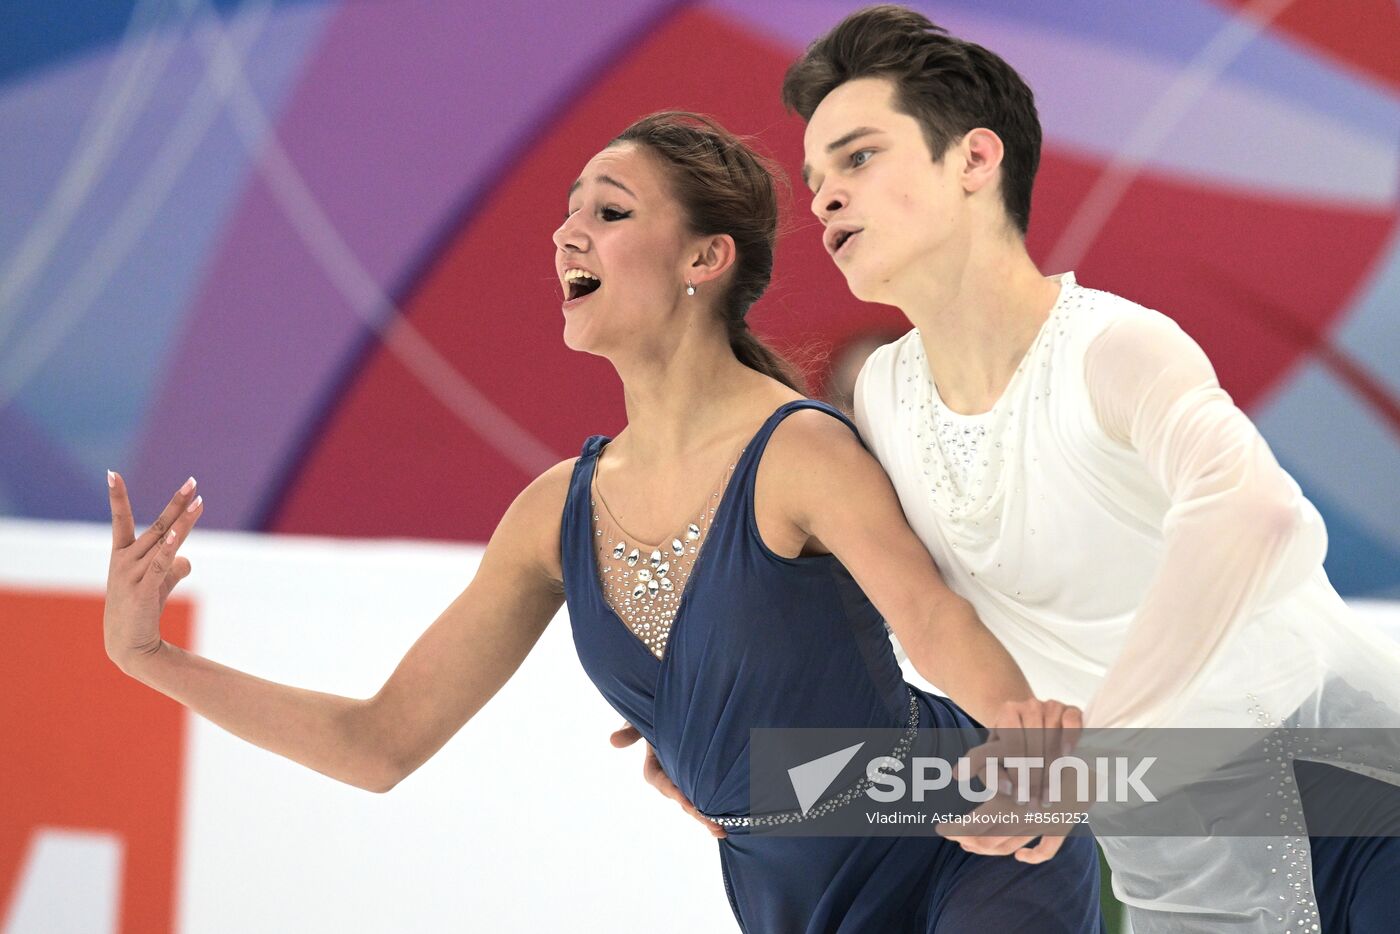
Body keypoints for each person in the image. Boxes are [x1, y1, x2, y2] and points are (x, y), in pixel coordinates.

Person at [102, 111, 1106, 932]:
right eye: (567, 211)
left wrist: (1023, 746)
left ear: (703, 258)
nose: (565, 232)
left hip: (955, 856)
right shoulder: (554, 514)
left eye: (609, 210)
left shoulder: (795, 451)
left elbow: (930, 619)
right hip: (787, 900)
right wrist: (151, 659)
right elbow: (381, 742)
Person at [773, 5, 1400, 933]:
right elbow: (882, 605)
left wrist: (1084, 759)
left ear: (977, 160)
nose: (823, 196)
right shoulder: (883, 403)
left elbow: (1252, 514)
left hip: (1346, 801)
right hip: (1180, 871)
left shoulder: (1116, 348)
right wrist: (709, 726)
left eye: (858, 158)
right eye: (816, 176)